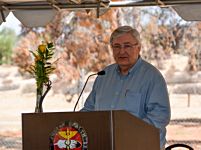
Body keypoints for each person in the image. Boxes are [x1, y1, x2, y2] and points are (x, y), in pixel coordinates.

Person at [81, 25, 171, 149]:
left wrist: (124, 134)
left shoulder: (152, 77)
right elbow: (89, 111)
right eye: (117, 46)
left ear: (138, 48)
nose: (121, 51)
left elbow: (159, 117)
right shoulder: (103, 75)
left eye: (127, 46)